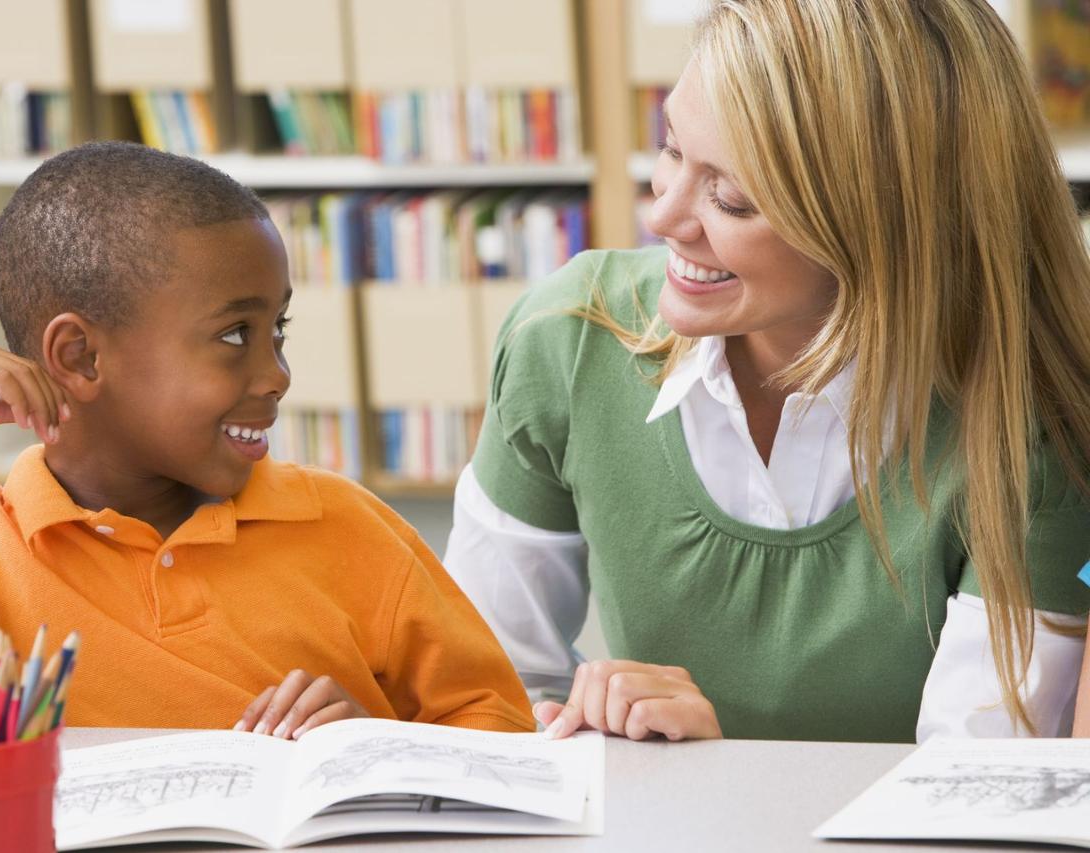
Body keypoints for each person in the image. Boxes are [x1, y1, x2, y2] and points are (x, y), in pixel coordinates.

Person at [445, 0, 1090, 743]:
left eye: (732, 199)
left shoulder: (1028, 431)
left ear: (881, 232)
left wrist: (726, 773)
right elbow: (478, 695)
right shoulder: (564, 342)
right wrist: (580, 734)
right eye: (671, 150)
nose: (665, 219)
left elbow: (968, 798)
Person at [0, 142, 532, 754]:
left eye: (277, 332)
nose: (277, 374)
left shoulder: (347, 527)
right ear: (79, 356)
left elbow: (502, 727)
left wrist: (370, 748)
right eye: (235, 335)